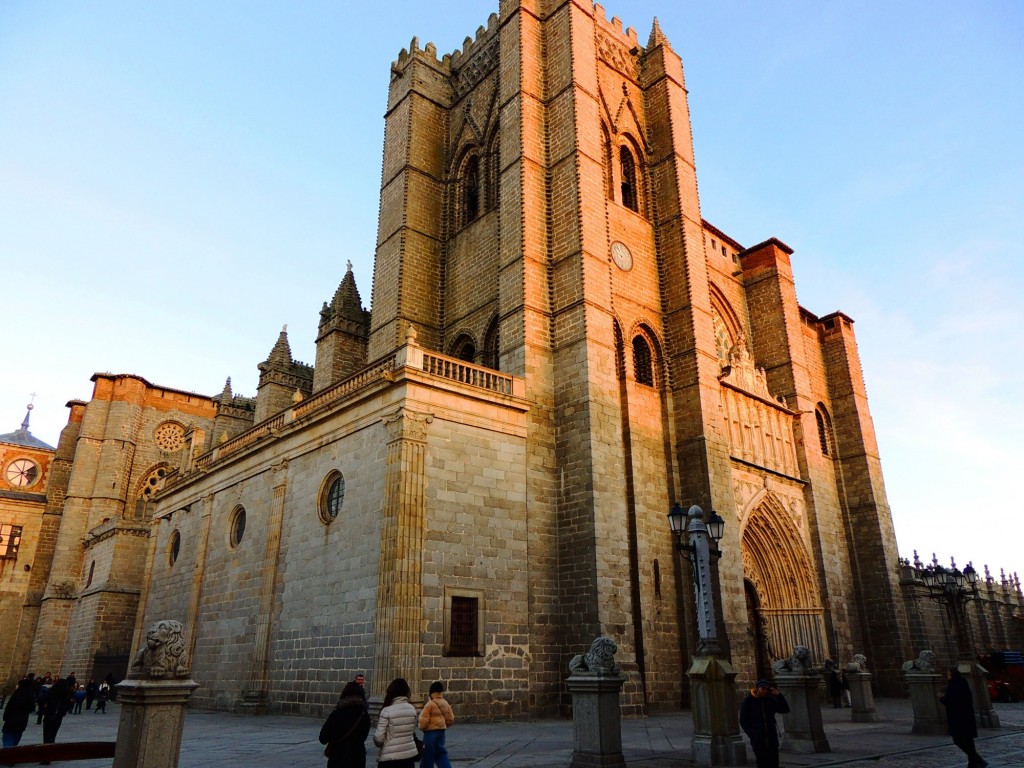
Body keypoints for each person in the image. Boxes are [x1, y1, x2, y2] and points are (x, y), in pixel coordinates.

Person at [939, 667, 987, 768]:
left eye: (948, 675)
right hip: (967, 717)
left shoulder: (953, 686)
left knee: (958, 740)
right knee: (969, 741)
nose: (947, 677)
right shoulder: (963, 684)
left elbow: (950, 701)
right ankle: (973, 763)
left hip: (958, 718)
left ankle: (977, 759)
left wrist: (941, 698)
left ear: (952, 676)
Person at [319, 681, 372, 768]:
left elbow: (323, 738)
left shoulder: (338, 714)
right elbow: (364, 736)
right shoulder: (364, 715)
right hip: (358, 760)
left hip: (338, 759)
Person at [739, 678, 790, 768]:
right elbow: (743, 720)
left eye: (767, 689)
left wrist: (778, 695)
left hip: (772, 739)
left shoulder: (770, 700)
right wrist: (752, 734)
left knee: (774, 763)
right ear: (757, 688)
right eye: (762, 688)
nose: (764, 691)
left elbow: (785, 709)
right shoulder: (748, 701)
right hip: (758, 739)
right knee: (762, 763)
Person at [373, 678, 419, 768]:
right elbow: (411, 732)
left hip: (390, 759)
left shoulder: (386, 711)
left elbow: (379, 738)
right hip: (408, 757)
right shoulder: (412, 709)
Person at [418, 681, 455, 768]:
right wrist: (442, 725)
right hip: (441, 733)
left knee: (428, 757)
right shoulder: (445, 703)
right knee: (441, 755)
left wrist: (422, 728)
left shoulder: (429, 704)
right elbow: (450, 719)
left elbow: (423, 722)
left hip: (430, 734)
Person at [2, 678, 36, 747]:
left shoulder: (17, 694)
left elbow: (9, 707)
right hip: (22, 721)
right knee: (15, 739)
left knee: (8, 739)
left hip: (11, 720)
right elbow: (31, 708)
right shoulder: (30, 696)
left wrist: (5, 717)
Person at [40, 677, 70, 744]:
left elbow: (43, 701)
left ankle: (46, 747)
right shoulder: (66, 694)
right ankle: (50, 747)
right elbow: (68, 706)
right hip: (58, 717)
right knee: (53, 734)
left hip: (49, 715)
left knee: (46, 734)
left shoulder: (51, 692)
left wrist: (45, 709)